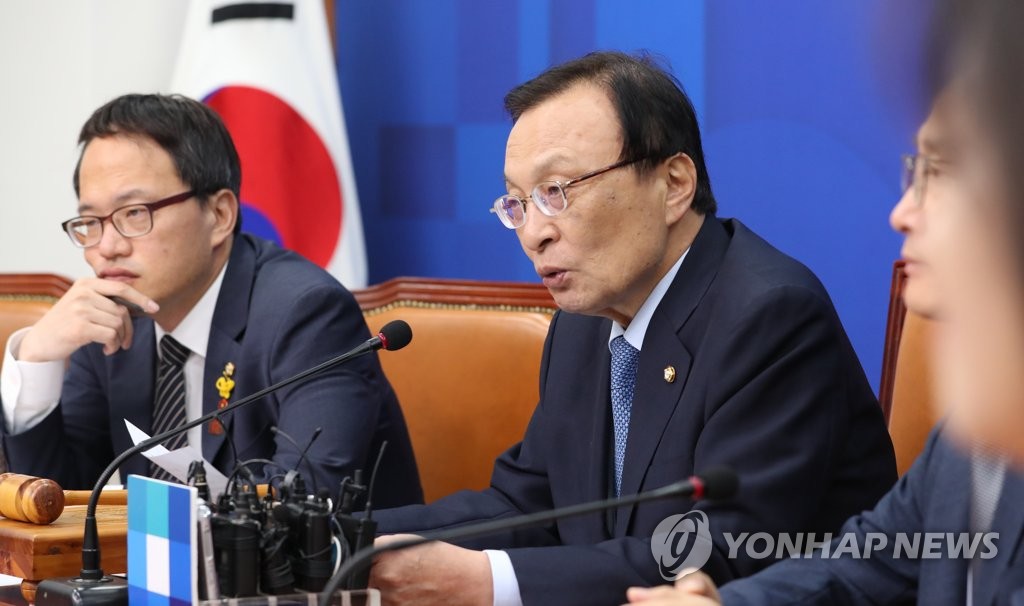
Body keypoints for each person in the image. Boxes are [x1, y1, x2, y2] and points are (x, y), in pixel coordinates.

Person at [367, 51, 897, 606]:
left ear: (674, 184)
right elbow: (527, 505)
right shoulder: (584, 324)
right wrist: (348, 538)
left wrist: (485, 581)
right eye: (518, 202)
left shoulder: (771, 318)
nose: (533, 233)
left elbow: (716, 555)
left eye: (556, 191)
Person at [623, 87, 1024, 606]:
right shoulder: (978, 424)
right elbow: (868, 563)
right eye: (916, 171)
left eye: (941, 173)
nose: (901, 212)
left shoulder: (771, 313)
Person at [0, 93, 423, 508]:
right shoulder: (109, 321)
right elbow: (58, 508)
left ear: (219, 215)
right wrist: (35, 360)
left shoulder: (306, 315)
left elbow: (305, 503)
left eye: (134, 213)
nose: (106, 248)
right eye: (91, 221)